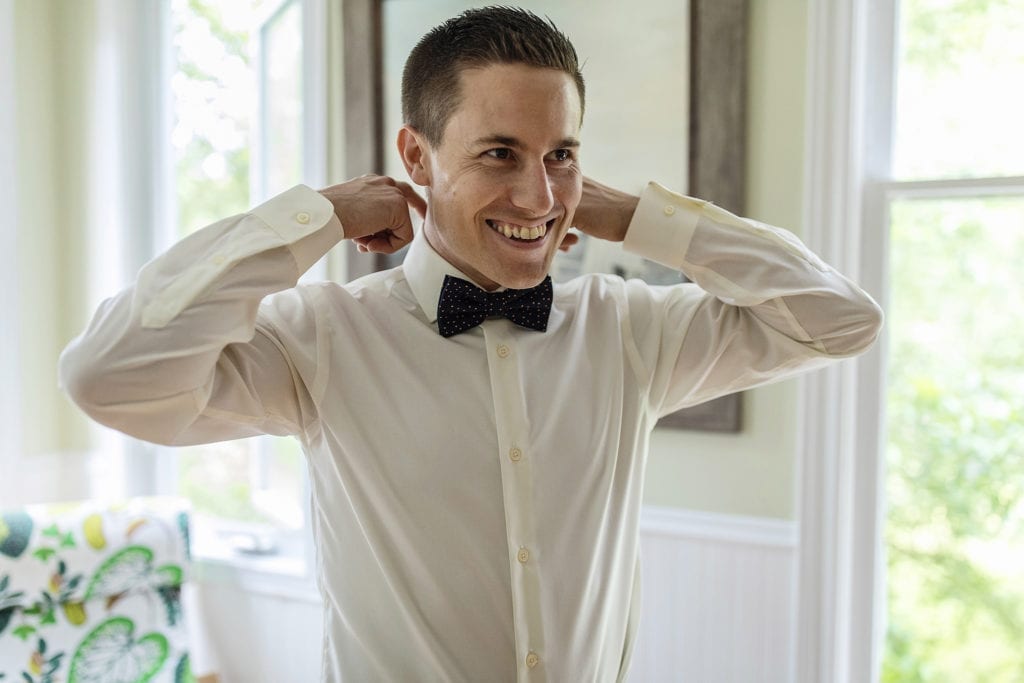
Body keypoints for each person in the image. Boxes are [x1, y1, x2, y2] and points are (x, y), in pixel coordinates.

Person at [59, 6, 883, 681]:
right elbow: (109, 377)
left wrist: (635, 216)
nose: (539, 192)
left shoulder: (633, 329)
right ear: (417, 155)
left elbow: (842, 318)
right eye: (499, 153)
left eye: (560, 154)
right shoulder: (323, 338)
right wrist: (316, 217)